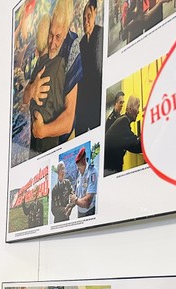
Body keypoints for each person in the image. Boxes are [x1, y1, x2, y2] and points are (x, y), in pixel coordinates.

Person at [24, 0, 82, 150]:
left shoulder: (72, 46)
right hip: (37, 139)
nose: (52, 42)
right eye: (51, 34)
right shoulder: (44, 44)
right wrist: (32, 89)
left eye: (58, 36)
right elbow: (25, 97)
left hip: (60, 140)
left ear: (67, 30)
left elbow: (68, 120)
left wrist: (43, 131)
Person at [75, 0, 103, 134]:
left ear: (95, 14)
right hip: (84, 99)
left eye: (89, 16)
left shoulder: (100, 34)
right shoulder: (81, 43)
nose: (86, 21)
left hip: (96, 98)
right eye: (84, 18)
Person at [104, 95, 143, 176]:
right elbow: (135, 146)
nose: (138, 111)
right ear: (130, 108)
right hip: (109, 169)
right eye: (137, 107)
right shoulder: (123, 121)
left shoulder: (123, 120)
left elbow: (132, 140)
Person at [71, 147, 97, 218]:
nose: (78, 169)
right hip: (80, 211)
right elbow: (76, 192)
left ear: (84, 161)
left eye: (79, 166)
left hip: (89, 212)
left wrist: (75, 200)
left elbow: (87, 202)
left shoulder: (92, 172)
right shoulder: (79, 172)